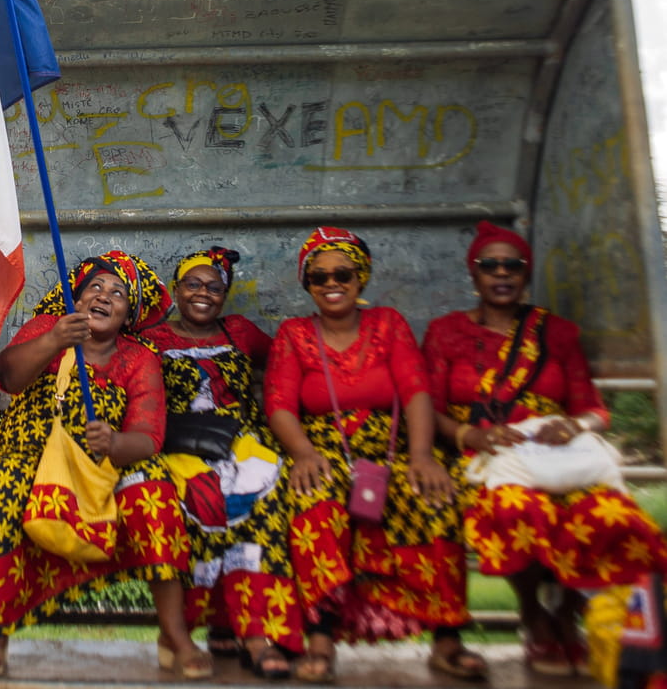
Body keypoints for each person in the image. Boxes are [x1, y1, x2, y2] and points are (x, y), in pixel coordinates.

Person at [423, 220, 667, 677]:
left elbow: (595, 409)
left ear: (525, 273)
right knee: (517, 510)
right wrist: (472, 436)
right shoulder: (446, 333)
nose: (501, 273)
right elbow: (431, 410)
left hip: (560, 458)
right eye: (489, 265)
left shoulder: (556, 333)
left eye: (511, 265)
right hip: (484, 460)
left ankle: (569, 613)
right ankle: (533, 613)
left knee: (612, 516)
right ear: (473, 275)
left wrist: (573, 426)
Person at [265, 227, 479, 683]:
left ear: (360, 277)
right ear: (308, 285)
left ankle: (448, 640)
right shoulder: (295, 333)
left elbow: (416, 390)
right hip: (324, 451)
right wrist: (302, 453)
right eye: (318, 277)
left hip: (391, 450)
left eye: (342, 273)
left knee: (432, 497)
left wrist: (422, 455)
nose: (331, 283)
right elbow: (280, 405)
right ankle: (321, 639)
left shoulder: (388, 324)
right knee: (312, 502)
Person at [0, 251, 193, 679]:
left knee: (155, 492)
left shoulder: (139, 359)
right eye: (95, 287)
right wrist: (54, 340)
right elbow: (8, 378)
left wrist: (116, 443)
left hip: (103, 465)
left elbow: (148, 438)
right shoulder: (46, 328)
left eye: (118, 292)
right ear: (77, 297)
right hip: (27, 453)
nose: (104, 296)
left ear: (130, 313)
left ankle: (174, 634)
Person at [141, 247, 300, 679]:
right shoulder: (151, 338)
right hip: (180, 447)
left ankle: (256, 633)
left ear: (225, 294)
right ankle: (201, 626)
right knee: (201, 499)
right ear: (176, 289)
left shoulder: (241, 332)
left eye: (214, 286)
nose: (203, 293)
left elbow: (288, 361)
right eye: (193, 284)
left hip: (244, 442)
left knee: (265, 497)